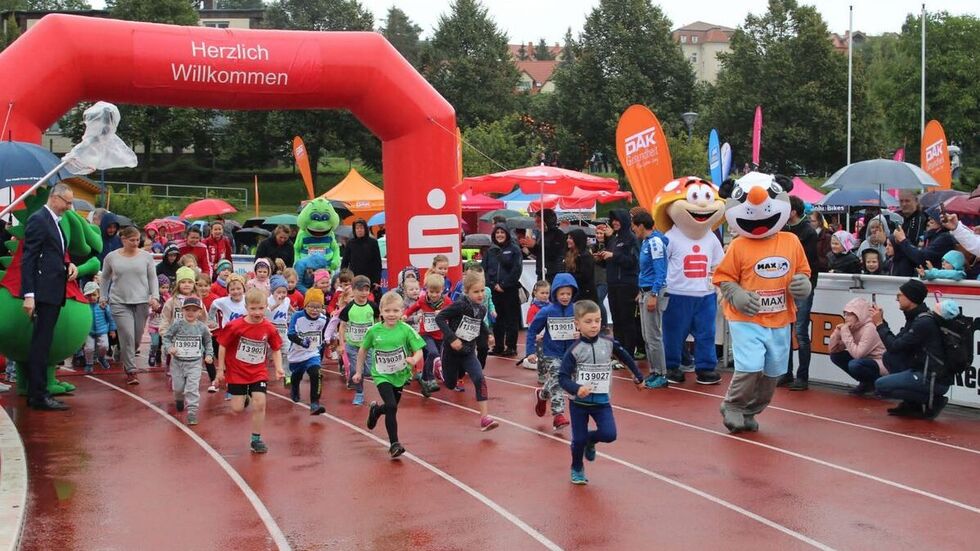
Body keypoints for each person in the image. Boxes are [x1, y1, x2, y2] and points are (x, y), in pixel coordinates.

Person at [558, 300, 645, 485]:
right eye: (588, 321)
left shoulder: (608, 343)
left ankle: (590, 440)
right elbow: (563, 378)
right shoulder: (574, 350)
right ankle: (577, 467)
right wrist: (577, 388)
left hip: (602, 402)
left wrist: (637, 376)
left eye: (597, 321)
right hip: (579, 403)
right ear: (577, 324)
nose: (594, 325)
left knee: (609, 434)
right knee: (577, 440)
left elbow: (626, 357)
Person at [20, 183, 76, 410]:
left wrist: (68, 263)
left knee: (44, 342)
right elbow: (29, 259)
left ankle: (38, 392)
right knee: (41, 344)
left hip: (53, 289)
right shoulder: (39, 219)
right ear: (55, 198)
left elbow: (53, 252)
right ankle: (38, 395)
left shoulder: (54, 222)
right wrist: (29, 295)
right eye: (67, 202)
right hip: (43, 292)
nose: (69, 207)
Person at [356, 291, 426, 458]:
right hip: (381, 375)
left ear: (402, 311)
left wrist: (413, 359)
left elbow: (419, 350)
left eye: (395, 311)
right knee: (392, 407)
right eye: (387, 311)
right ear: (380, 311)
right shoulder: (374, 331)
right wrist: (358, 371)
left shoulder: (406, 330)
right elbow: (363, 350)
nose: (391, 315)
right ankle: (394, 444)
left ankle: (376, 411)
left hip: (400, 375)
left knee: (390, 407)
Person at [216, 288, 284, 453]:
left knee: (260, 403)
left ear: (266, 307)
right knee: (237, 409)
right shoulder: (235, 326)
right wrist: (220, 369)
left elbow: (276, 349)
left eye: (260, 308)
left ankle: (256, 439)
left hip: (258, 372)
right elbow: (223, 344)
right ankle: (244, 397)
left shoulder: (269, 328)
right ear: (246, 307)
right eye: (253, 308)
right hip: (237, 372)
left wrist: (279, 368)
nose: (257, 312)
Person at [870, 279, 950, 419]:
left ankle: (933, 400)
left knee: (881, 386)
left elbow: (895, 346)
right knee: (889, 357)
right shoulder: (915, 317)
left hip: (932, 377)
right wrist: (882, 322)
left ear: (911, 297)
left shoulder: (923, 322)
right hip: (921, 368)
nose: (896, 299)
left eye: (900, 295)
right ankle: (912, 403)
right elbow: (895, 345)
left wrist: (879, 324)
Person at [435, 270, 499, 431]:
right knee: (450, 384)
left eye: (482, 291)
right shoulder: (460, 305)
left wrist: (489, 335)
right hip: (451, 351)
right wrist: (452, 338)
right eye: (476, 291)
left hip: (468, 351)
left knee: (479, 378)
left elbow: (479, 324)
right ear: (467, 291)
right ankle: (439, 368)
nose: (480, 295)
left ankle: (485, 417)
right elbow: (440, 318)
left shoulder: (482, 309)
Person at [100, 225, 160, 385]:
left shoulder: (146, 257)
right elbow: (105, 277)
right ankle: (131, 371)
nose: (135, 243)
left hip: (141, 301)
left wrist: (155, 296)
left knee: (136, 339)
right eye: (132, 240)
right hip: (119, 301)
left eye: (137, 240)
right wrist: (103, 296)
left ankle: (122, 350)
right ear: (123, 240)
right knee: (127, 334)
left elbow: (152, 278)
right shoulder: (112, 257)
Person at [527, 272, 579, 430]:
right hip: (551, 353)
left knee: (568, 380)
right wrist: (530, 352)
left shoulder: (577, 310)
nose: (565, 297)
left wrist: (581, 334)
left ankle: (542, 395)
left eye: (568, 294)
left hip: (571, 353)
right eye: (562, 293)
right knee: (557, 378)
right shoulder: (547, 311)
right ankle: (558, 415)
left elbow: (588, 327)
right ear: (555, 293)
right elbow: (532, 330)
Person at [781, 196, 822, 390]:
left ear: (793, 211)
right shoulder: (784, 230)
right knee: (786, 331)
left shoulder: (808, 232)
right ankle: (786, 372)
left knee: (800, 331)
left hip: (802, 285)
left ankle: (802, 376)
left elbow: (808, 262)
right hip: (787, 285)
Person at [631, 211, 669, 388]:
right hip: (646, 291)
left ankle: (661, 373)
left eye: (634, 226)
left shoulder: (654, 242)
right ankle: (654, 371)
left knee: (653, 335)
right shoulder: (648, 241)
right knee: (647, 336)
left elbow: (660, 271)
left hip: (653, 292)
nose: (633, 230)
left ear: (640, 226)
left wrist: (653, 294)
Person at [162, 296, 213, 425]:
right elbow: (167, 337)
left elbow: (208, 342)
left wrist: (209, 355)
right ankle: (179, 399)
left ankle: (192, 412)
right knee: (178, 388)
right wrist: (169, 347)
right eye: (187, 309)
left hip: (195, 363)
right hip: (178, 362)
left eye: (194, 310)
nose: (191, 312)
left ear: (200, 312)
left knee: (192, 388)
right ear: (182, 310)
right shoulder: (177, 325)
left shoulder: (202, 327)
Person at [596, 209, 640, 359]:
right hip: (613, 283)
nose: (614, 222)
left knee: (627, 320)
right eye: (613, 219)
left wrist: (614, 256)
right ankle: (619, 351)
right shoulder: (614, 239)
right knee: (616, 319)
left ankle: (628, 352)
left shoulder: (631, 238)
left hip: (627, 284)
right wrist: (602, 258)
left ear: (624, 220)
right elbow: (610, 262)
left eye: (617, 219)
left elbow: (633, 262)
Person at [828, 298, 886, 395]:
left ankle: (878, 383)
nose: (846, 317)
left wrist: (845, 332)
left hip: (879, 362)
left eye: (850, 314)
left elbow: (858, 354)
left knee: (855, 364)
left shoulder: (870, 328)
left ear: (859, 315)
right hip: (864, 360)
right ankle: (866, 383)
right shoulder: (853, 327)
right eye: (845, 314)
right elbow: (833, 350)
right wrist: (837, 333)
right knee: (836, 356)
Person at [403, 273, 448, 397]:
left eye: (437, 292)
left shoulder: (447, 301)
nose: (433, 295)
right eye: (431, 291)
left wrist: (444, 312)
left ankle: (424, 379)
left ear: (442, 290)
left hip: (440, 335)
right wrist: (406, 315)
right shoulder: (423, 300)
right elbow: (413, 307)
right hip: (425, 334)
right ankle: (429, 378)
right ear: (426, 289)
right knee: (433, 353)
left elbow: (455, 310)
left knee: (435, 356)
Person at [482, 224, 523, 357]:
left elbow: (517, 269)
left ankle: (511, 347)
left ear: (507, 234)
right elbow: (485, 269)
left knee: (512, 319)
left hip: (509, 290)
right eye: (497, 232)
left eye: (502, 232)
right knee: (497, 319)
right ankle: (498, 346)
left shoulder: (514, 249)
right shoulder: (490, 251)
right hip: (494, 290)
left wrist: (504, 285)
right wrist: (492, 285)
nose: (499, 235)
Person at [339, 275, 380, 406]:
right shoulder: (349, 308)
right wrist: (341, 344)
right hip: (352, 345)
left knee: (368, 371)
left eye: (367, 290)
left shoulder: (373, 306)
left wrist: (378, 337)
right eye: (361, 290)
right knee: (358, 371)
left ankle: (353, 379)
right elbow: (342, 326)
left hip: (368, 346)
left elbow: (378, 322)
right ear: (354, 290)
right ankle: (359, 393)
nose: (364, 293)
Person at [286, 288, 328, 415]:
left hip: (312, 354)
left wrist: (327, 342)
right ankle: (294, 388)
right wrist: (302, 342)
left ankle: (315, 403)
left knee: (317, 374)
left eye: (318, 307)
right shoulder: (297, 316)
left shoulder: (323, 319)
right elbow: (291, 334)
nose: (314, 310)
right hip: (296, 354)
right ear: (305, 305)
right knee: (296, 376)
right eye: (311, 307)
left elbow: (325, 334)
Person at [891, 208, 957, 277]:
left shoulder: (945, 238)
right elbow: (915, 255)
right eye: (928, 220)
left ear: (942, 224)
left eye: (932, 222)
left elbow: (922, 258)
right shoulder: (931, 237)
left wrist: (903, 240)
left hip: (937, 282)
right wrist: (901, 242)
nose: (928, 223)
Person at [82, 282, 116, 373]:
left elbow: (110, 318)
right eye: (89, 295)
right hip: (89, 331)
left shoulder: (103, 306)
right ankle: (89, 363)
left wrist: (112, 329)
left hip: (102, 330)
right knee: (89, 348)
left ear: (98, 295)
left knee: (104, 346)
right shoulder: (84, 306)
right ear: (85, 296)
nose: (92, 297)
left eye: (94, 295)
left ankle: (101, 358)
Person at [341, 219, 382, 290]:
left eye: (361, 228)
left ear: (365, 229)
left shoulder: (373, 242)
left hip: (370, 278)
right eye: (357, 228)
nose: (359, 230)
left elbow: (377, 263)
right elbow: (345, 262)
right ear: (354, 230)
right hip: (354, 277)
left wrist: (377, 280)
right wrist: (343, 278)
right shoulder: (350, 243)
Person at [529, 208, 566, 282]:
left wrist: (534, 246)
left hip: (553, 273)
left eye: (539, 221)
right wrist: (530, 247)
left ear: (547, 221)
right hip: (541, 272)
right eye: (536, 222)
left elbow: (553, 254)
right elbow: (539, 253)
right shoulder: (542, 234)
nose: (536, 225)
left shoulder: (558, 234)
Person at [563, 229, 596, 303]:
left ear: (578, 240)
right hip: (573, 291)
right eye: (567, 238)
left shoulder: (585, 256)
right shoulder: (568, 254)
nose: (567, 240)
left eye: (571, 238)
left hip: (585, 295)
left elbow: (585, 276)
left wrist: (568, 276)